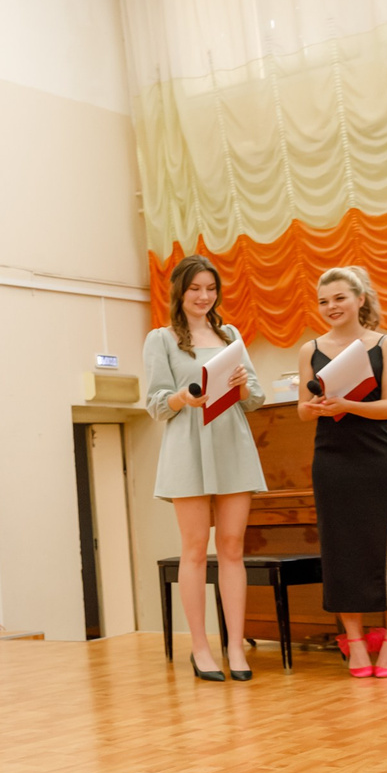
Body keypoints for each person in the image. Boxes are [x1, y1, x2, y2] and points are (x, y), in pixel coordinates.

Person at [142, 256, 269, 682]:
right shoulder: (160, 339)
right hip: (187, 444)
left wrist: (242, 386)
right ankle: (200, 648)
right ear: (179, 291)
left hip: (231, 441)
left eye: (211, 288)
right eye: (195, 288)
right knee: (195, 548)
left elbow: (255, 398)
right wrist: (183, 397)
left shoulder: (230, 335)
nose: (204, 296)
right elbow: (156, 404)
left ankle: (235, 647)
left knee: (232, 547)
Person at [297, 266, 387, 679]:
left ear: (360, 299)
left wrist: (348, 406)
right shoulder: (310, 349)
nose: (331, 307)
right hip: (332, 460)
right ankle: (356, 642)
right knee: (340, 549)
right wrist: (314, 406)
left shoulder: (385, 345)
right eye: (323, 301)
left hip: (380, 458)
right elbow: (302, 412)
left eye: (339, 298)